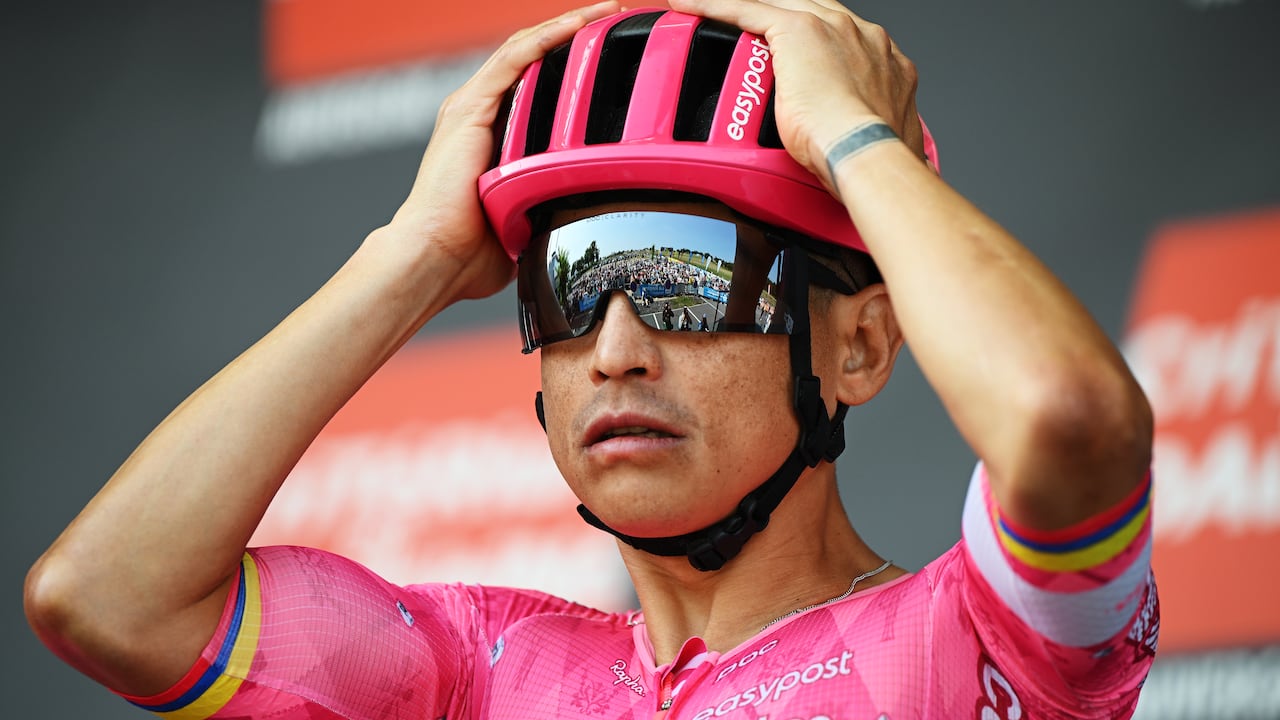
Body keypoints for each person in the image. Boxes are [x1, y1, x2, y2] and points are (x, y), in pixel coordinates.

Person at [24, 0, 1158, 718]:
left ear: (856, 345)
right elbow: (108, 601)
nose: (614, 350)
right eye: (568, 293)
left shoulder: (981, 645)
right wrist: (412, 255)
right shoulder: (478, 669)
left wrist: (852, 140)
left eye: (684, 277)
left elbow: (1068, 418)